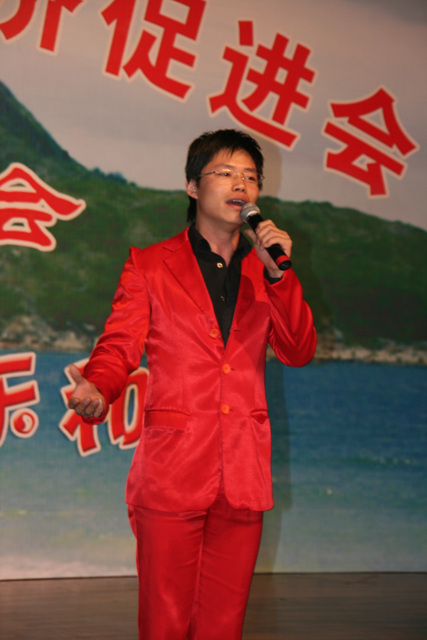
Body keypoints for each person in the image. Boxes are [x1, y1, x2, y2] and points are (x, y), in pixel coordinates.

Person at [68, 129, 317, 639]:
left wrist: (279, 277)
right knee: (165, 623)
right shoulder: (150, 265)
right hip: (173, 470)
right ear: (192, 186)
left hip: (242, 473)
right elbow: (118, 345)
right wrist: (98, 386)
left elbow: (298, 350)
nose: (240, 185)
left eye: (250, 177)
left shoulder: (265, 271)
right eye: (225, 173)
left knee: (223, 625)